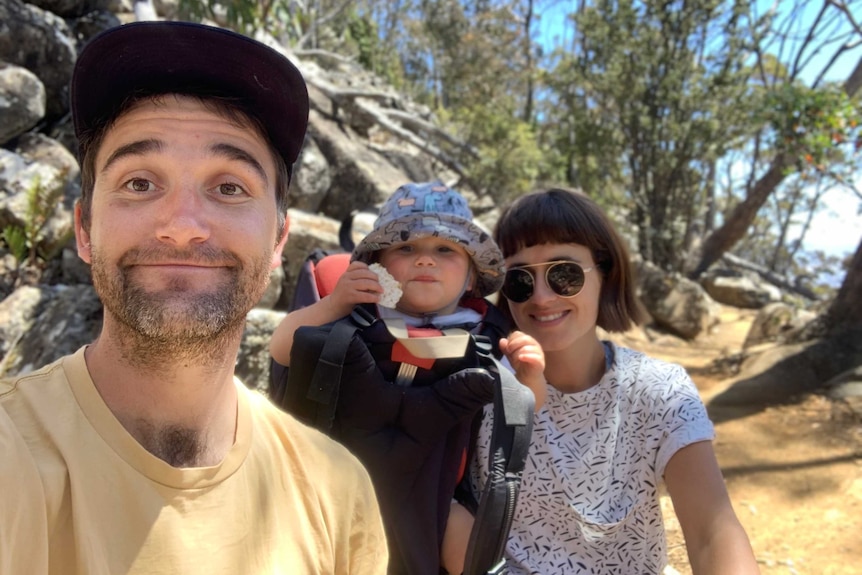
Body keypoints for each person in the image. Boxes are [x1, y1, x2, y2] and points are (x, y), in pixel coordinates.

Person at [0, 21, 387, 575]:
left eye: (229, 186)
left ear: (278, 240)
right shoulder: (12, 454)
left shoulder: (337, 493)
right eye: (139, 182)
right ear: (85, 230)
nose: (182, 228)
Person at [470, 188, 760, 574]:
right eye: (520, 279)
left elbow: (712, 530)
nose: (540, 297)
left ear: (604, 274)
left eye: (565, 273)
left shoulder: (659, 389)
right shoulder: (476, 388)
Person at [270, 181, 546, 575]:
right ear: (378, 265)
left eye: (445, 250)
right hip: (336, 481)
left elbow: (525, 407)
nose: (425, 260)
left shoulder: (483, 336)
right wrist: (333, 303)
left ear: (471, 278)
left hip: (436, 490)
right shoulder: (356, 313)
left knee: (472, 547)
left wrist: (529, 374)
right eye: (406, 247)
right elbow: (282, 349)